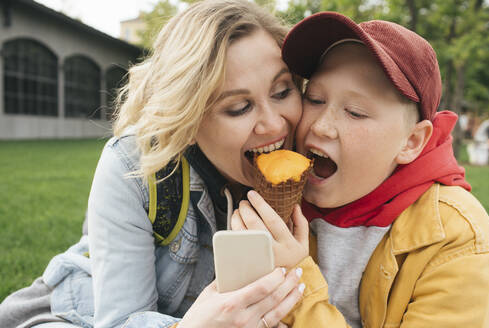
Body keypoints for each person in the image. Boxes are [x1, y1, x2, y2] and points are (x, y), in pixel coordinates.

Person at [0, 1, 307, 327]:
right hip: (76, 314)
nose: (274, 125)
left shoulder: (314, 158)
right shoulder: (134, 167)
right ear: (187, 121)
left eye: (282, 90)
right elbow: (119, 320)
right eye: (240, 107)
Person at [232, 11, 489, 327]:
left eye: (355, 113)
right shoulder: (277, 203)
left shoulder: (457, 237)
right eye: (314, 99)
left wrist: (294, 284)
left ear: (410, 142)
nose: (322, 126)